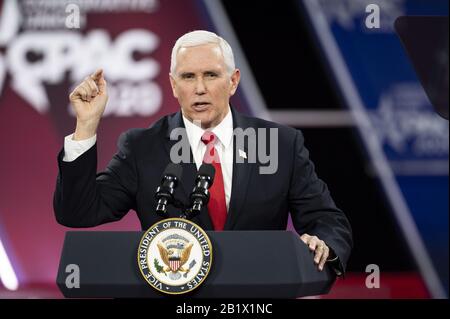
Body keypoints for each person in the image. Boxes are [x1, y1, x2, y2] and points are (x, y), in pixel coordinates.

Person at [54, 30, 352, 274]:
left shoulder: (279, 143)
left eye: (211, 75)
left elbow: (326, 219)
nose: (199, 88)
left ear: (233, 81)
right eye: (187, 77)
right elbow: (79, 212)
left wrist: (323, 242)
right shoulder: (142, 148)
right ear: (173, 85)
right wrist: (86, 126)